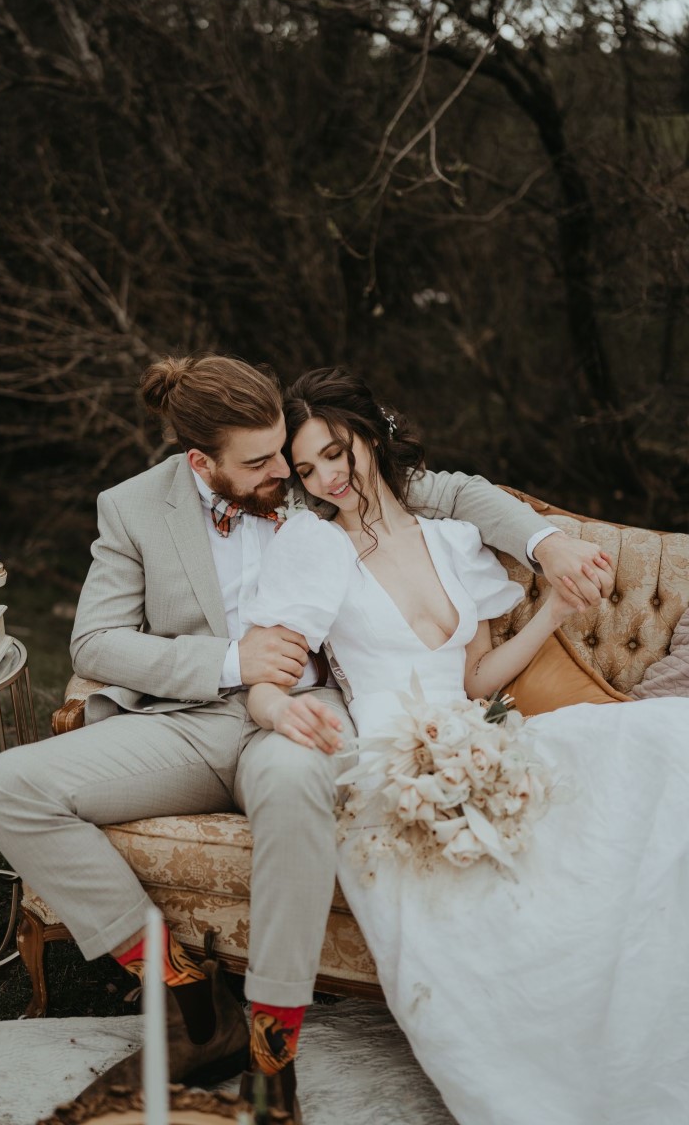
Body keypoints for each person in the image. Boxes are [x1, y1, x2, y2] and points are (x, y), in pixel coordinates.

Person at [0, 354, 613, 1124]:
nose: (288, 469)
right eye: (264, 460)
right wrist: (228, 661)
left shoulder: (322, 488)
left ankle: (276, 1055)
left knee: (291, 779)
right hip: (189, 719)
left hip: (309, 715)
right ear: (200, 462)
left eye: (290, 450)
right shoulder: (134, 507)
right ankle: (192, 1003)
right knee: (3, 788)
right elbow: (95, 645)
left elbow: (460, 494)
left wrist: (548, 547)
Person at [245, 366, 689, 1125]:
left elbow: (479, 679)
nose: (324, 478)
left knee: (661, 739)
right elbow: (268, 667)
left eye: (334, 451)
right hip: (394, 758)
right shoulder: (309, 550)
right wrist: (270, 707)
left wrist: (553, 609)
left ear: (369, 435)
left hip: (482, 734)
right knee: (487, 905)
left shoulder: (452, 539)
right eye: (306, 467)